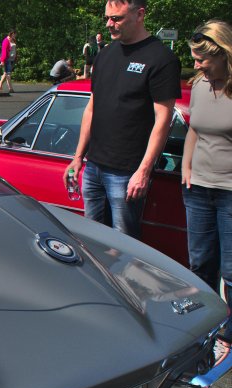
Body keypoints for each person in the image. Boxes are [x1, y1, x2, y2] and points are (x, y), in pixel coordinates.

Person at [64, 0, 180, 240]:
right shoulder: (105, 54)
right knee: (91, 239)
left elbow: (163, 119)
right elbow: (91, 108)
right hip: (94, 166)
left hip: (127, 172)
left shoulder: (161, 58)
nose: (109, 24)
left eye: (116, 18)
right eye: (107, 17)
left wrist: (144, 171)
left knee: (124, 245)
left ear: (140, 15)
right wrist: (77, 158)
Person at [181, 20, 232, 307]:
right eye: (195, 59)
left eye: (202, 60)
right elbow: (194, 130)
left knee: (231, 270)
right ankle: (208, 326)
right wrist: (187, 168)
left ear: (223, 55)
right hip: (197, 188)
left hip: (229, 191)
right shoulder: (200, 85)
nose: (197, 66)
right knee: (200, 263)